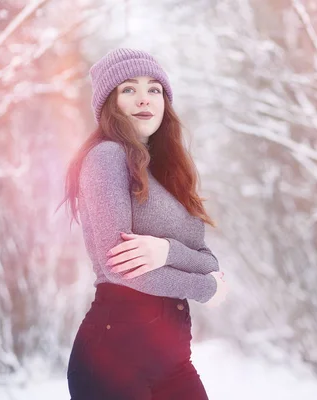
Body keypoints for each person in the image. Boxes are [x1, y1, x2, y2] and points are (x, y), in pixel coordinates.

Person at [57, 48, 229, 399]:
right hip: (113, 359)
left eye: (154, 89)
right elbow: (121, 268)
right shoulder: (106, 157)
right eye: (128, 89)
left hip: (173, 359)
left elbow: (209, 261)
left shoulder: (167, 172)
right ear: (109, 102)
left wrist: (164, 251)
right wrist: (206, 288)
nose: (144, 99)